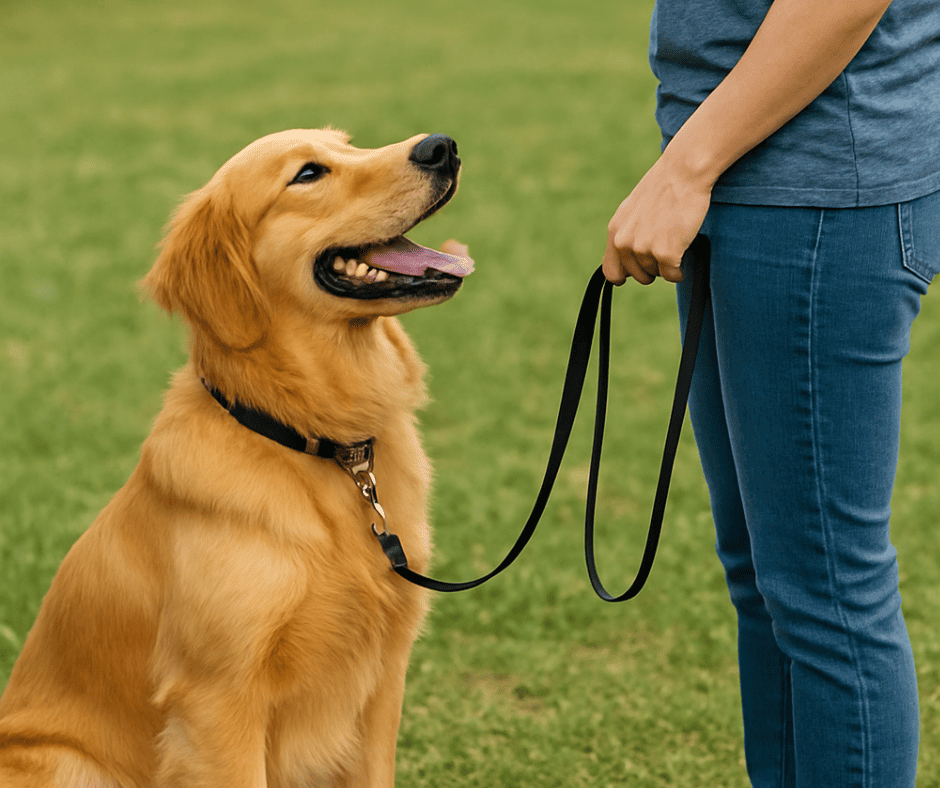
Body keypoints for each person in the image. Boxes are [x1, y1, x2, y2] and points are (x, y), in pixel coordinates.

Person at [602, 0, 939, 785]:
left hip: (813, 188)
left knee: (824, 591)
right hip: (751, 175)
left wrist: (687, 167)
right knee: (770, 575)